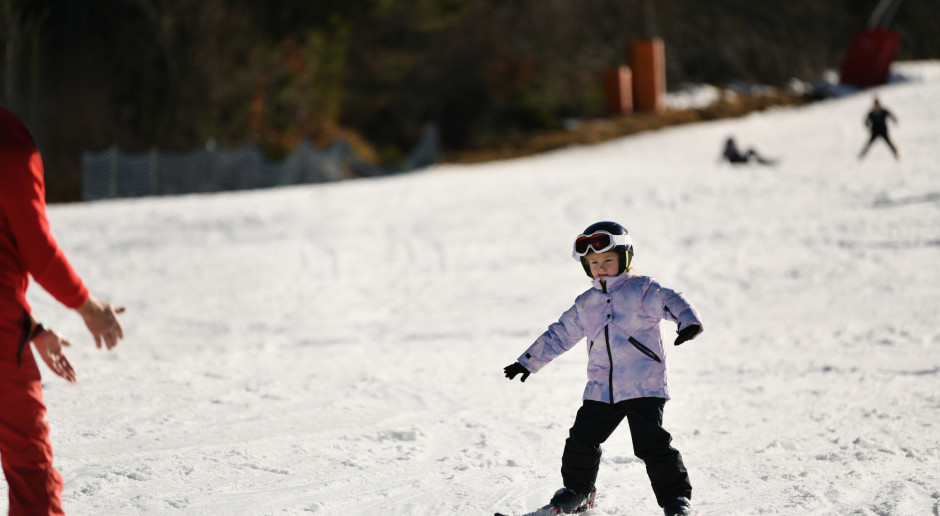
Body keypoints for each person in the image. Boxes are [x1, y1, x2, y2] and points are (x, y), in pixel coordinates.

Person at [503, 221, 703, 516]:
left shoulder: (642, 290)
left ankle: (676, 501)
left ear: (624, 259)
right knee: (581, 441)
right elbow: (560, 334)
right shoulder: (587, 303)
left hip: (643, 386)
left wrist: (689, 322)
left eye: (608, 260)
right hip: (601, 390)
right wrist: (528, 361)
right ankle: (578, 492)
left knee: (652, 445)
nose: (601, 267)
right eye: (594, 262)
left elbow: (670, 299)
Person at [1, 105, 125, 515]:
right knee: (31, 473)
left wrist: (31, 327)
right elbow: (36, 249)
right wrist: (86, 306)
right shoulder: (9, 143)